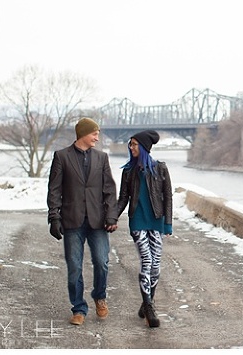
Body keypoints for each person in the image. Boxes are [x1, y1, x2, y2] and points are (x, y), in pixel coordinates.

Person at [47, 117, 119, 326]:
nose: (97, 137)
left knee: (102, 263)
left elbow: (109, 190)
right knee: (74, 268)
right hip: (72, 221)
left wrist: (111, 216)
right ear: (83, 134)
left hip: (98, 221)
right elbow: (54, 190)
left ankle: (99, 295)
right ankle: (78, 308)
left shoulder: (102, 158)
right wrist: (54, 217)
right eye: (94, 133)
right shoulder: (61, 157)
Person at [117, 130, 173, 328]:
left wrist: (168, 224)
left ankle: (146, 301)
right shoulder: (128, 172)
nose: (130, 147)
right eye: (129, 144)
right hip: (138, 221)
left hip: (157, 221)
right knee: (147, 260)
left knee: (156, 265)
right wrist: (112, 217)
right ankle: (149, 306)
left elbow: (168, 197)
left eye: (134, 144)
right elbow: (123, 198)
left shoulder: (160, 168)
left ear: (143, 147)